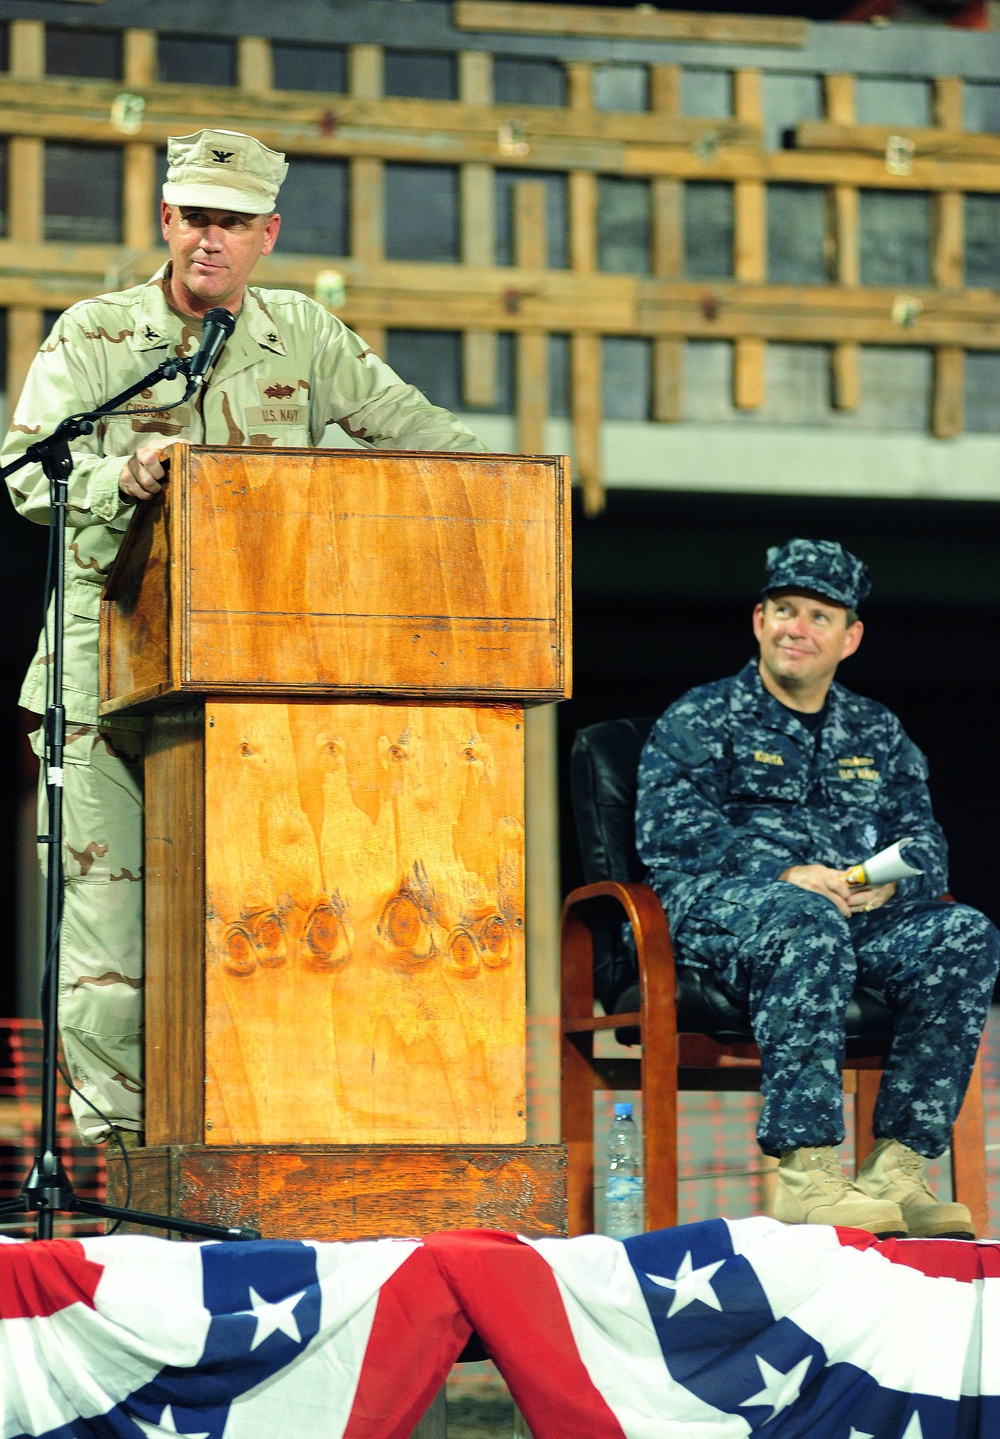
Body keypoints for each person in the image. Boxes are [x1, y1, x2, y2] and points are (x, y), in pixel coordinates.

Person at [2, 128, 486, 1145]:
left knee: (266, 927)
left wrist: (515, 489)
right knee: (109, 951)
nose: (208, 240)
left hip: (262, 693)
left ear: (267, 232)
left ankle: (257, 1148)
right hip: (106, 673)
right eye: (193, 218)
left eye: (231, 223)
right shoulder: (97, 335)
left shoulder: (302, 335)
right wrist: (113, 477)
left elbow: (421, 433)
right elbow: (23, 469)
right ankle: (120, 1177)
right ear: (165, 221)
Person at [635, 538, 999, 1238]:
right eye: (783, 610)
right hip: (723, 911)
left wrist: (887, 889)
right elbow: (671, 839)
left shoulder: (878, 731)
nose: (796, 627)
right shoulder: (701, 717)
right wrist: (782, 873)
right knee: (806, 917)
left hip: (852, 918)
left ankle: (897, 1170)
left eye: (818, 616)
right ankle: (807, 1174)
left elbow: (925, 844)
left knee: (965, 932)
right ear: (758, 620)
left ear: (850, 637)